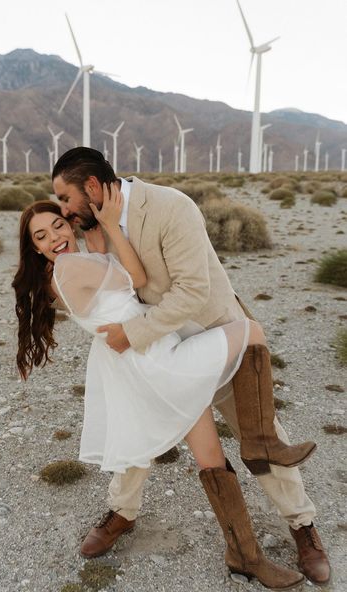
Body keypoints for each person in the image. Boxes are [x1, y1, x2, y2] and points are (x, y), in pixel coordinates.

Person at [48, 147, 330, 586]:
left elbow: (192, 292)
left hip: (210, 333)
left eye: (65, 199)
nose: (62, 211)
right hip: (155, 348)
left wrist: (134, 335)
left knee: (262, 434)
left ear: (90, 188)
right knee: (137, 430)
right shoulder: (90, 230)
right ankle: (123, 513)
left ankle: (302, 526)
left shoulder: (169, 206)